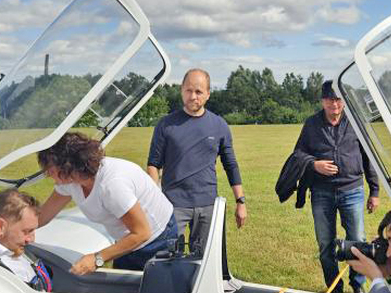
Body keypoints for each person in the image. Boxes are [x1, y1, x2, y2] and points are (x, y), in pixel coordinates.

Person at [38, 132, 178, 274]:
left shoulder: (112, 185)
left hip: (157, 239)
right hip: (126, 238)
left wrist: (97, 258)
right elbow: (43, 215)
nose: (47, 174)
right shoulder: (69, 181)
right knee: (126, 291)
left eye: (50, 169)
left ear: (68, 167)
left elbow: (142, 233)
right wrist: (21, 230)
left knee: (156, 291)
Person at [294, 80, 379, 293]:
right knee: (325, 243)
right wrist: (314, 164)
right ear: (322, 101)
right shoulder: (312, 124)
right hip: (322, 192)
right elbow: (298, 154)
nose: (335, 104)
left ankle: (358, 286)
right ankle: (334, 287)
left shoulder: (355, 123)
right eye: (330, 99)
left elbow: (369, 158)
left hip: (353, 190)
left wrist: (375, 191)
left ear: (344, 101)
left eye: (338, 99)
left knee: (358, 240)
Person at [147, 68, 247, 254]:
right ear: (181, 90)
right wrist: (155, 200)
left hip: (207, 203)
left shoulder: (219, 125)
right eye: (189, 90)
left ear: (208, 94)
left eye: (199, 91)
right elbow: (154, 164)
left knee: (204, 259)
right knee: (168, 258)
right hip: (173, 205)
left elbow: (231, 165)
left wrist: (240, 201)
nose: (193, 96)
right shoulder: (166, 124)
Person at [0, 188, 52, 292]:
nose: (31, 240)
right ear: (0, 227)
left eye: (33, 231)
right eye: (26, 231)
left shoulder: (12, 246)